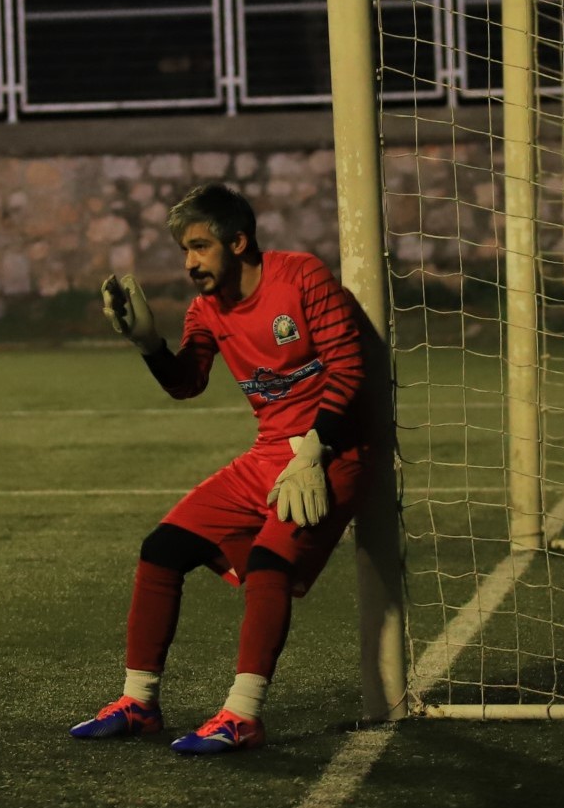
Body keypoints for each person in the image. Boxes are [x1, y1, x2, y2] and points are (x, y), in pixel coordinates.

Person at [73, 182, 373, 755]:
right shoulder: (206, 310)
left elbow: (348, 367)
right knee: (161, 548)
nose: (190, 263)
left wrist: (315, 449)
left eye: (200, 247)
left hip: (331, 454)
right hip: (267, 457)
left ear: (238, 242)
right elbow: (188, 383)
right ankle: (139, 703)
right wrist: (149, 346)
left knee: (269, 564)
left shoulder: (301, 276)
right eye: (184, 250)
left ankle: (243, 715)